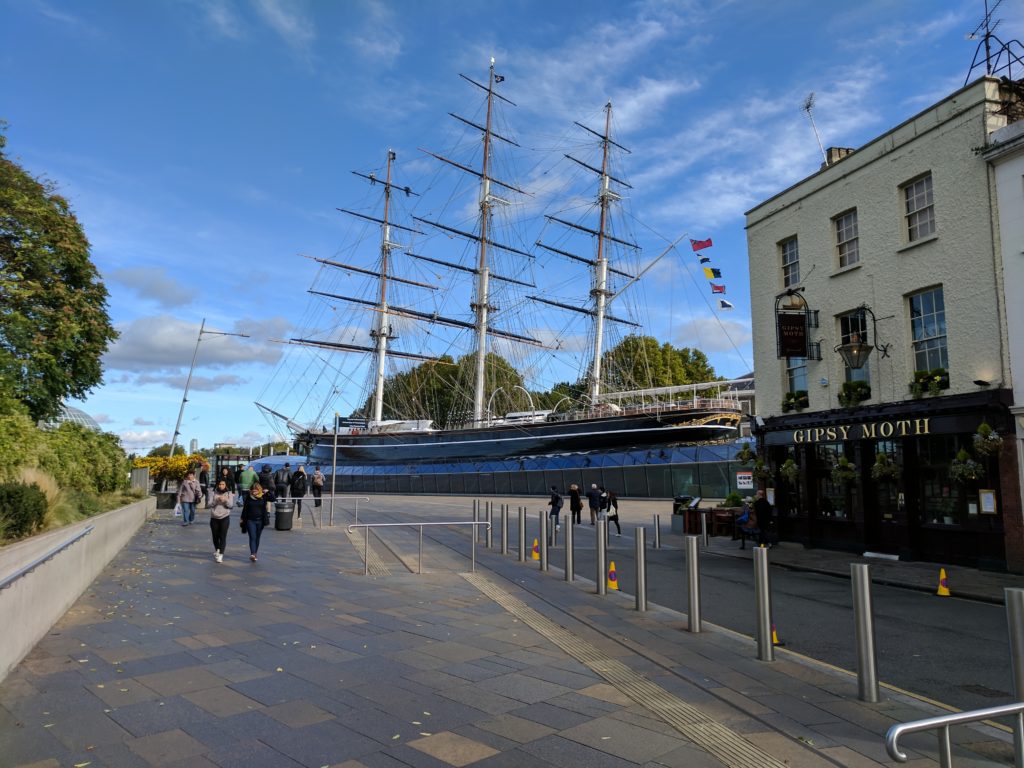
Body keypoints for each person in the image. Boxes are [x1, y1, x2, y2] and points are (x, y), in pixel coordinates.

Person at [241, 482, 274, 562]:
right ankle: (252, 553)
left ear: (259, 490)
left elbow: (273, 499)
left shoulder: (263, 497)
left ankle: (255, 553)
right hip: (250, 520)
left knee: (257, 537)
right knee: (252, 537)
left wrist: (268, 492)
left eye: (256, 490)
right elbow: (245, 509)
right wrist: (242, 519)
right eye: (253, 490)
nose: (254, 492)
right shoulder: (248, 497)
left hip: (260, 521)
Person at [209, 479, 234, 562]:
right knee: (215, 537)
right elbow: (209, 504)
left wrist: (225, 500)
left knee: (223, 536)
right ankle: (217, 550)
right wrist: (216, 500)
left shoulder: (229, 493)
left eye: (223, 484)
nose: (221, 486)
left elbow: (231, 506)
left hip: (225, 517)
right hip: (214, 517)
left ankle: (221, 555)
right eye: (219, 484)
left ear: (225, 485)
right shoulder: (213, 493)